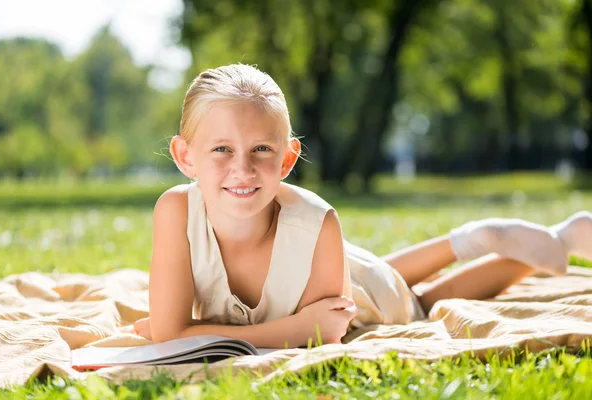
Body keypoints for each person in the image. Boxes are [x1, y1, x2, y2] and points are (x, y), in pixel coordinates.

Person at [134, 64, 592, 348]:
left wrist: (295, 331)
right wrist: (290, 329)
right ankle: (469, 238)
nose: (243, 169)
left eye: (261, 150)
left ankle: (524, 245)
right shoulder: (175, 211)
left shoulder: (318, 221)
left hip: (345, 279)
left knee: (419, 301)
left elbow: (325, 332)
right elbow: (172, 335)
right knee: (374, 272)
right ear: (184, 156)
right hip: (327, 269)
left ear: (288, 158)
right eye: (221, 151)